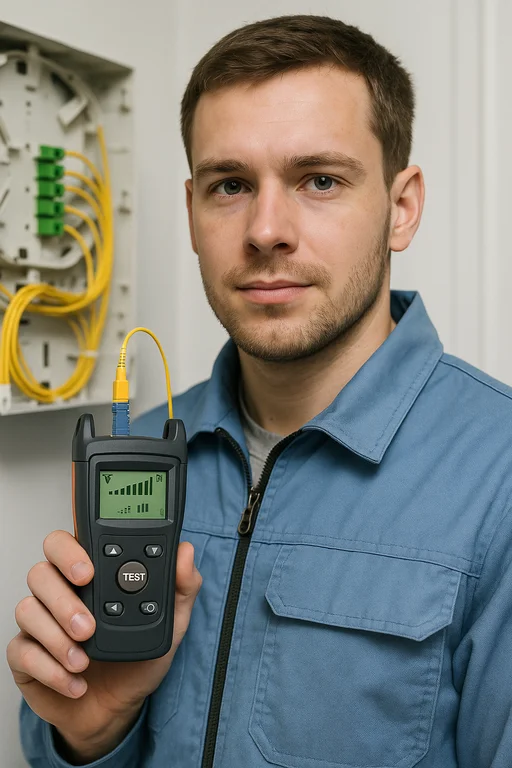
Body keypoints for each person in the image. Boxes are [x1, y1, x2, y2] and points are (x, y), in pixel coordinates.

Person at [7, 13, 512, 768]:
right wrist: (91, 733)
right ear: (190, 212)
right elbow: (72, 731)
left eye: (320, 180)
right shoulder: (137, 453)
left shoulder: (498, 471)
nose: (266, 229)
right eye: (230, 185)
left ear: (401, 207)